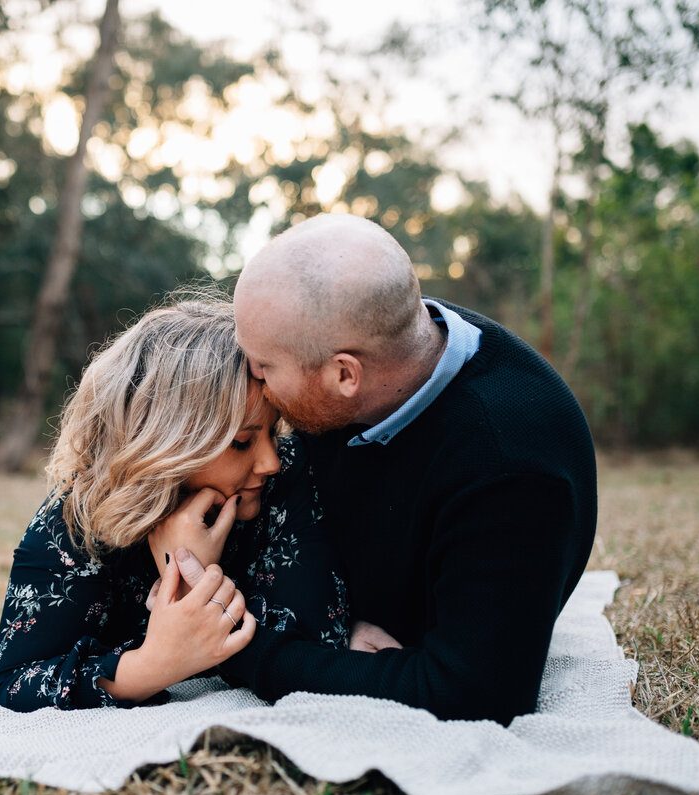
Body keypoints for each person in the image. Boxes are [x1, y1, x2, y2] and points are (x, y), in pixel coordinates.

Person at [193, 213, 598, 725]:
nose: (252, 375)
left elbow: (475, 692)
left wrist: (238, 649)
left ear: (345, 374)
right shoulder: (377, 346)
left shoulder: (509, 467)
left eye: (265, 365)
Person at [0, 299, 351, 712]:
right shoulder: (79, 517)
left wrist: (194, 577)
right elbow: (16, 680)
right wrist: (151, 667)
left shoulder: (286, 479)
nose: (269, 460)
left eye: (273, 430)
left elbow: (321, 644)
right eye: (242, 442)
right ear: (167, 444)